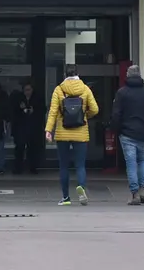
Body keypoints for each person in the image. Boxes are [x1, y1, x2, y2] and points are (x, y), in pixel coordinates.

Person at [46, 64, 99, 206]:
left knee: (64, 166)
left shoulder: (59, 89)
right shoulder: (85, 89)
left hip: (62, 133)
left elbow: (53, 112)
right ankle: (81, 187)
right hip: (80, 132)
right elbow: (95, 109)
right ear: (77, 74)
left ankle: (66, 198)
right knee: (80, 165)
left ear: (65, 75)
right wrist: (84, 116)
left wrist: (48, 130)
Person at [111, 65, 144, 206]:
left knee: (131, 163)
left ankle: (134, 194)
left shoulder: (122, 93)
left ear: (128, 75)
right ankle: (142, 190)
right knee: (142, 161)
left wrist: (116, 129)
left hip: (127, 134)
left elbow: (116, 114)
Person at [12, 80, 46, 174]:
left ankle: (33, 167)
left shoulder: (37, 98)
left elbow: (42, 111)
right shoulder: (18, 98)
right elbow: (13, 112)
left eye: (29, 90)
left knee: (33, 148)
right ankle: (18, 168)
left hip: (33, 128)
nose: (27, 92)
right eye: (26, 90)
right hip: (21, 127)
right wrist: (21, 109)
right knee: (19, 148)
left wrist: (33, 111)